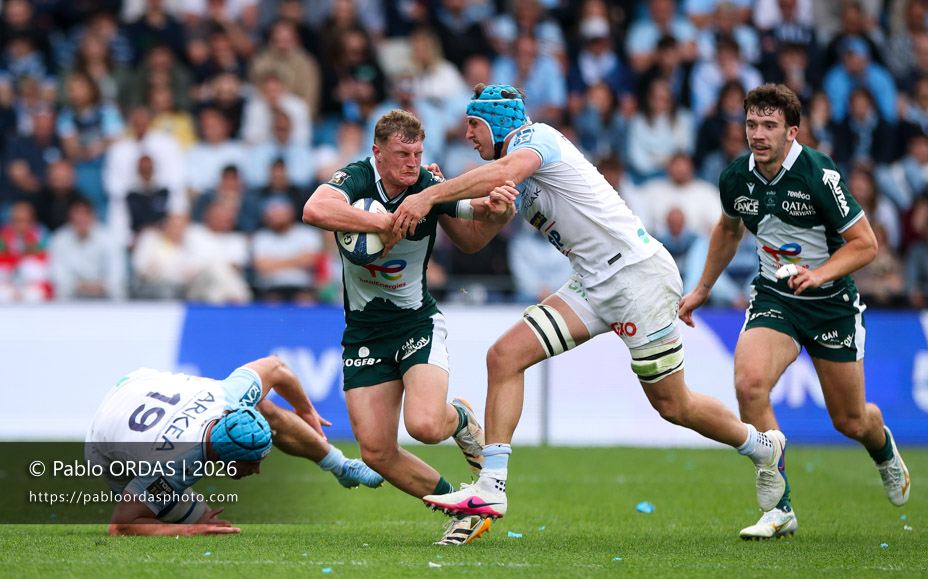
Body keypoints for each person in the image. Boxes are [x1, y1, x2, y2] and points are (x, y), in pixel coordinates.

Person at [392, 84, 788, 538]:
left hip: (637, 278)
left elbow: (502, 168)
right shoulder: (512, 177)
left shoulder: (535, 138)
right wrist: (445, 205)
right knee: (504, 357)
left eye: (473, 125)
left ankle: (761, 447)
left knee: (674, 405)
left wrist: (429, 194)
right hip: (593, 282)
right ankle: (491, 486)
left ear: (498, 123)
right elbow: (475, 238)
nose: (467, 135)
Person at [678, 83, 910, 539]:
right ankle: (778, 507)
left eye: (769, 125)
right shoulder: (734, 177)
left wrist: (819, 274)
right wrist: (703, 287)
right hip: (775, 297)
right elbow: (728, 231)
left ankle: (881, 446)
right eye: (751, 124)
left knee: (850, 421)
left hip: (830, 307)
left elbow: (866, 244)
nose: (758, 134)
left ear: (792, 131)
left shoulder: (818, 174)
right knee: (749, 384)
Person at [302, 109, 517, 546]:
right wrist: (383, 222)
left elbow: (473, 238)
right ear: (377, 152)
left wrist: (497, 214)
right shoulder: (357, 179)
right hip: (363, 332)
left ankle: (459, 419)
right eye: (402, 153)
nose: (412, 163)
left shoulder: (429, 187)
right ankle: (458, 505)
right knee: (377, 452)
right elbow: (313, 209)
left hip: (416, 321)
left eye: (418, 153)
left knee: (424, 426)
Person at [85, 356, 383, 536]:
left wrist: (304, 409)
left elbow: (276, 366)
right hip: (104, 445)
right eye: (251, 463)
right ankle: (187, 516)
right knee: (194, 520)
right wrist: (190, 529)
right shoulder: (170, 469)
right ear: (226, 457)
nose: (257, 470)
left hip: (141, 384)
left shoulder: (232, 397)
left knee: (264, 408)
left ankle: (341, 465)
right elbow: (122, 525)